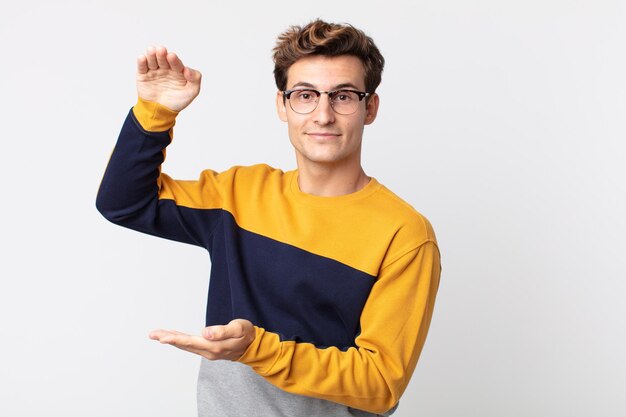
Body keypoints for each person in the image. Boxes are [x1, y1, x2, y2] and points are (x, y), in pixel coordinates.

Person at [96, 19, 441, 417]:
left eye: (343, 96)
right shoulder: (239, 195)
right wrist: (155, 111)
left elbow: (380, 383)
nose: (323, 114)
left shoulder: (404, 234)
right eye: (305, 95)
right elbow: (124, 203)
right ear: (283, 105)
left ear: (370, 107)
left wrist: (256, 349)